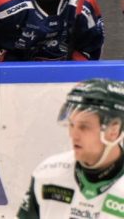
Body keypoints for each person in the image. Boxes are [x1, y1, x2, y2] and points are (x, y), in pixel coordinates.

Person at [19, 78, 124, 218]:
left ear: (113, 130)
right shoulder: (47, 174)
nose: (73, 135)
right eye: (71, 124)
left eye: (84, 127)